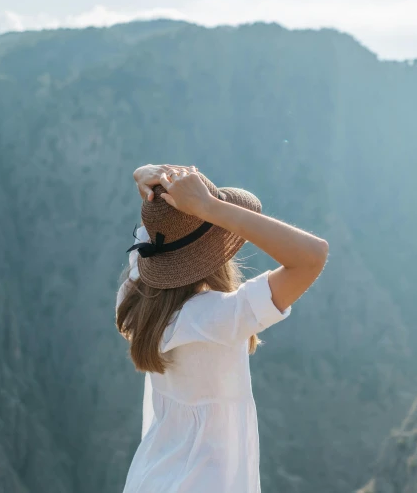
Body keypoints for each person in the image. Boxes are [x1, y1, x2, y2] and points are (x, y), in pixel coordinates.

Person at [115, 164, 328, 493]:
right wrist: (211, 208)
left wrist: (143, 174)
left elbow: (155, 232)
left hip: (149, 478)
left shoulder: (135, 300)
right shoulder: (216, 319)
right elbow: (312, 256)